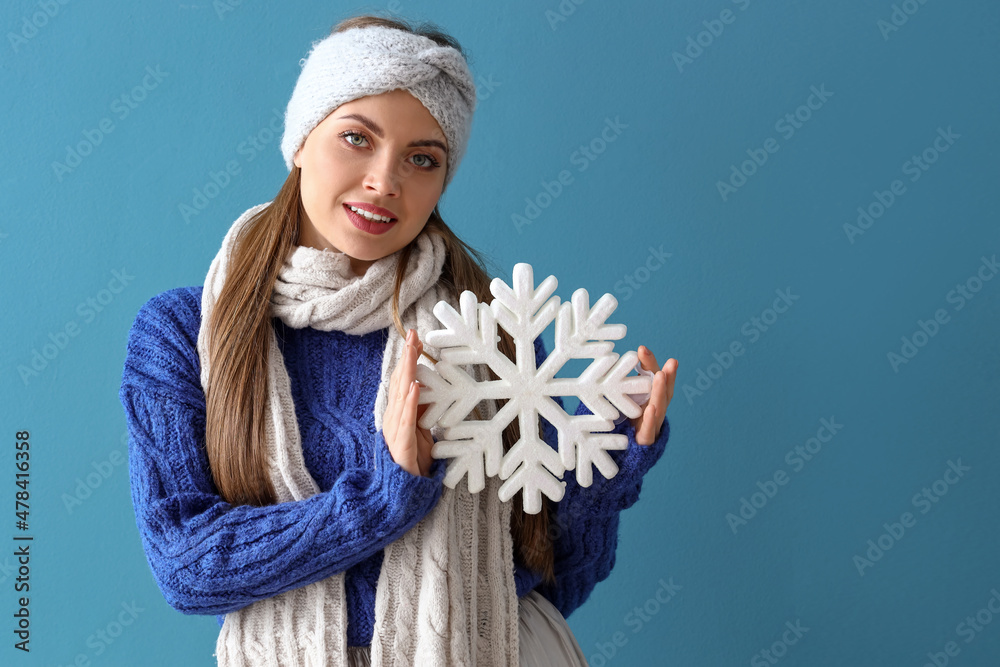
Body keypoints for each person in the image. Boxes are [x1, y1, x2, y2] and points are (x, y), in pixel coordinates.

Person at [119, 13, 678, 667]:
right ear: (301, 140)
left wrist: (605, 463)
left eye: (422, 158)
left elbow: (554, 582)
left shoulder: (491, 330)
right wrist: (388, 495)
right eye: (357, 137)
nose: (386, 180)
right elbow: (188, 566)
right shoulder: (188, 333)